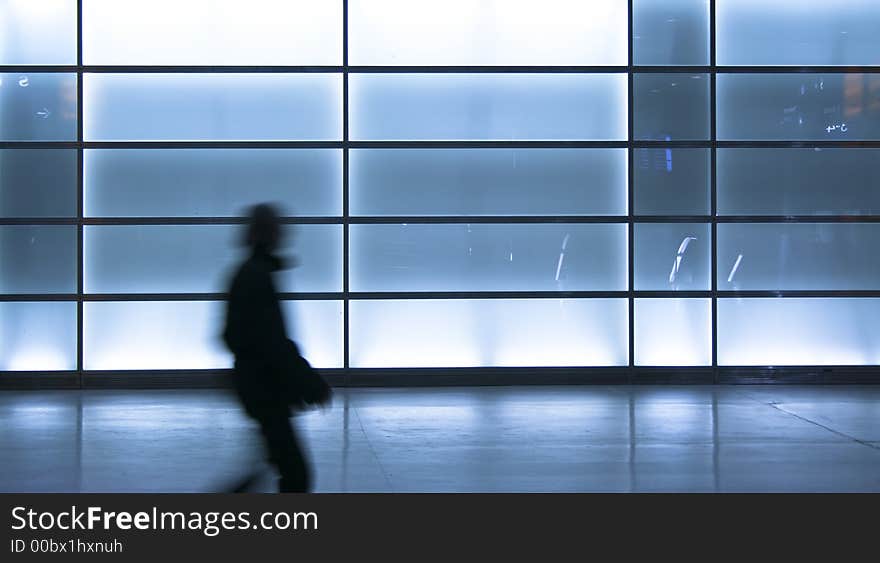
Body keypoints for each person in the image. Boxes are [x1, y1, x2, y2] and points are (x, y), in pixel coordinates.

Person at [222, 203, 311, 492]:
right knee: (295, 473)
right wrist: (304, 378)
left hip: (259, 388)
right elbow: (271, 339)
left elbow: (234, 335)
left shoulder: (250, 272)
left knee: (282, 466)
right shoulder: (258, 275)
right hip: (266, 389)